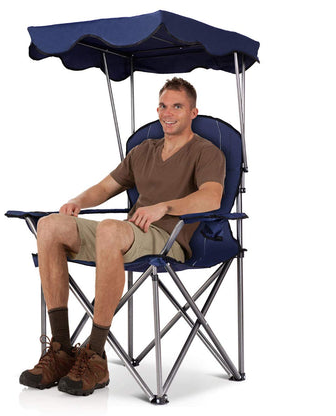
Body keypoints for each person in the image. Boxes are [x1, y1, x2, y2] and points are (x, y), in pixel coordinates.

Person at [19, 77, 226, 396]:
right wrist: (78, 201)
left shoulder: (206, 151)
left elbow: (212, 197)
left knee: (110, 228)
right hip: (127, 235)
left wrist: (165, 206)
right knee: (49, 226)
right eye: (163, 105)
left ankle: (95, 356)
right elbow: (106, 187)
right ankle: (61, 351)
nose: (167, 113)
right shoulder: (144, 150)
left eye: (177, 106)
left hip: (169, 238)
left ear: (193, 112)